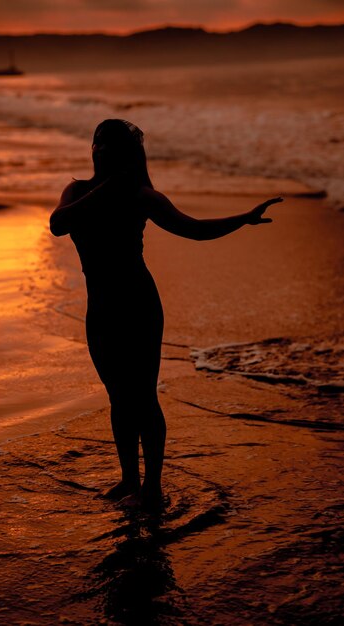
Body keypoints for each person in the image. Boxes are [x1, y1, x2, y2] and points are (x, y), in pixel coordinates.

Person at [50, 118, 282, 509]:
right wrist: (108, 187)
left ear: (127, 154)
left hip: (138, 305)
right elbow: (58, 224)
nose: (101, 150)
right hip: (101, 309)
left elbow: (194, 229)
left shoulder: (143, 197)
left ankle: (152, 487)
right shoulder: (77, 190)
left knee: (142, 396)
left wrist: (242, 219)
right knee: (118, 397)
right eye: (97, 143)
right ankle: (129, 480)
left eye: (110, 145)